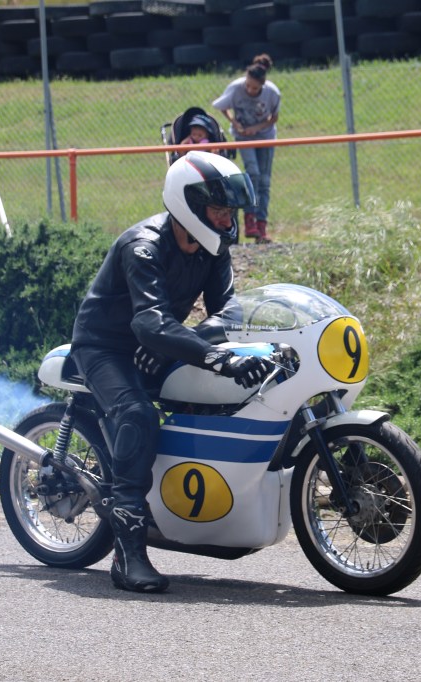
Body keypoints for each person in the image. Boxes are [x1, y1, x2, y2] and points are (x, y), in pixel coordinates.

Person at [69, 150, 270, 593]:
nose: (227, 220)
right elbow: (149, 322)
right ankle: (127, 555)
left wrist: (206, 345)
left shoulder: (212, 248)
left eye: (230, 211)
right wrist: (216, 357)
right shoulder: (142, 246)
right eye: (218, 210)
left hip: (155, 344)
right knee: (137, 415)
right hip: (104, 346)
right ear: (189, 205)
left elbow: (227, 312)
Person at [212, 53, 281, 244]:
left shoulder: (272, 93)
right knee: (253, 173)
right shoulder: (235, 88)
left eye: (255, 88)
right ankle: (249, 218)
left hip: (265, 137)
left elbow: (274, 118)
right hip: (243, 138)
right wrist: (235, 122)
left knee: (265, 181)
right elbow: (222, 106)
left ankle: (261, 226)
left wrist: (256, 128)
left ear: (262, 85)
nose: (250, 90)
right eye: (248, 86)